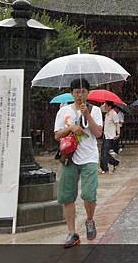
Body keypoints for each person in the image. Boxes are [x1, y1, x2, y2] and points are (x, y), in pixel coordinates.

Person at [54, 78, 103, 248]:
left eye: (83, 91)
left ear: (88, 93)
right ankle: (71, 233)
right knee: (67, 196)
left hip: (89, 157)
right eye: (76, 91)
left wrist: (87, 115)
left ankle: (90, 220)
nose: (80, 94)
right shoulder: (63, 111)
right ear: (71, 93)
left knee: (89, 194)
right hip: (69, 158)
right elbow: (57, 135)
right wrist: (71, 128)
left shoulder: (94, 110)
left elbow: (97, 133)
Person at [99, 101, 120, 174]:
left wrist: (118, 133)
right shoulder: (107, 114)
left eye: (106, 105)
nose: (104, 107)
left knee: (104, 153)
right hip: (106, 135)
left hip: (111, 137)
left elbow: (117, 124)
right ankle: (114, 163)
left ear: (110, 106)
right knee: (103, 153)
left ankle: (105, 168)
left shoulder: (114, 114)